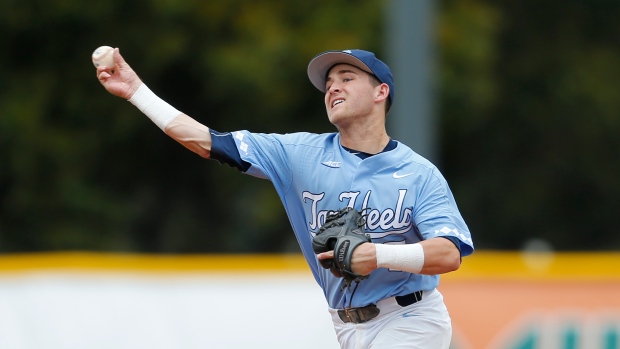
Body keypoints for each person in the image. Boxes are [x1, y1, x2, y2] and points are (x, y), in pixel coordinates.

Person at [96, 47, 474, 349]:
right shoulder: (297, 154)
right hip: (345, 327)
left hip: (410, 320)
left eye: (347, 77)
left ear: (381, 91)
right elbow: (206, 140)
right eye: (328, 82)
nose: (333, 87)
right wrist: (135, 92)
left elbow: (450, 253)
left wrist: (378, 255)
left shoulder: (417, 172)